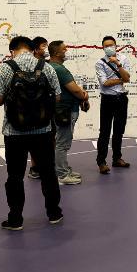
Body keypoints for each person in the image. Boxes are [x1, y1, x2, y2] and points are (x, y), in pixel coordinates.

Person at [0, 36, 63, 231]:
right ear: (31, 49)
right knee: (48, 173)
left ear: (12, 50)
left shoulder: (5, 68)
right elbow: (57, 97)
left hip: (14, 132)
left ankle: (15, 219)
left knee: (15, 176)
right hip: (43, 130)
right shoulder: (47, 67)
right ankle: (54, 213)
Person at [47, 41, 89, 185]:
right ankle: (62, 175)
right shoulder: (59, 69)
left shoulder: (50, 66)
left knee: (60, 142)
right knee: (62, 143)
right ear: (57, 53)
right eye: (64, 49)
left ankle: (63, 169)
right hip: (65, 110)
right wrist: (84, 95)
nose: (67, 51)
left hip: (60, 110)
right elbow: (75, 90)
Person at [95, 35, 132, 174]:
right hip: (107, 100)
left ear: (116, 46)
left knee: (119, 130)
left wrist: (118, 64)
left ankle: (117, 158)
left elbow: (127, 77)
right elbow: (105, 82)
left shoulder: (123, 59)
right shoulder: (100, 63)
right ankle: (101, 162)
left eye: (111, 45)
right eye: (106, 46)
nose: (109, 47)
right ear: (103, 48)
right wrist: (121, 80)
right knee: (104, 132)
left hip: (121, 98)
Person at [27, 37, 48, 179]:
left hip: (46, 107)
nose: (46, 48)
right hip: (32, 107)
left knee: (47, 139)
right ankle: (34, 167)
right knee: (33, 139)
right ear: (35, 49)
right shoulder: (29, 65)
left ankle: (46, 165)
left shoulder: (48, 65)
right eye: (43, 46)